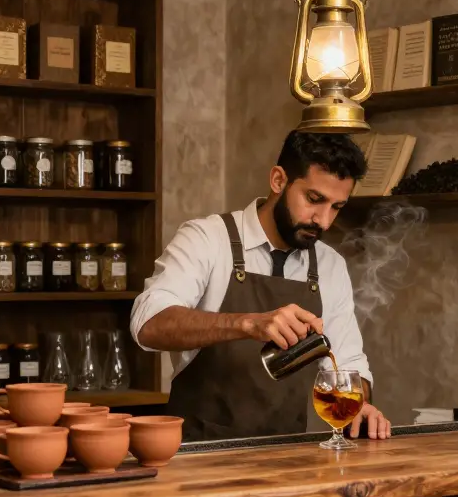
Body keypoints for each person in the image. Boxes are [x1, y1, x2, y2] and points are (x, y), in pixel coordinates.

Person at [130, 130, 392, 442]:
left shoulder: (330, 265)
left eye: (337, 207)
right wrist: (247, 323)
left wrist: (360, 405)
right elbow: (149, 324)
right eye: (314, 199)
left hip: (284, 454)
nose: (323, 221)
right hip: (197, 452)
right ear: (278, 180)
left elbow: (348, 363)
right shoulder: (206, 239)